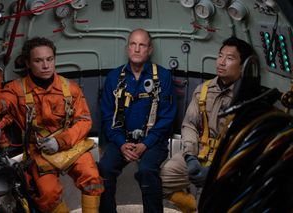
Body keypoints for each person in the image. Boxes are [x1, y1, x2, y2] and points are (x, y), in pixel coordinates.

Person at [0, 37, 104, 212]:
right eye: (38, 61)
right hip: (38, 151)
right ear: (28, 64)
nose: (46, 65)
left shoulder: (70, 88)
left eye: (49, 59)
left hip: (70, 145)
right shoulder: (17, 90)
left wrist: (60, 141)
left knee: (92, 179)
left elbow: (84, 121)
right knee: (47, 196)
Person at [160, 36, 260, 213]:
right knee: (164, 177)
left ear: (242, 65)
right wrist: (190, 157)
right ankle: (192, 209)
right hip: (198, 152)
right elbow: (189, 124)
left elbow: (245, 143)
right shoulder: (203, 90)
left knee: (213, 200)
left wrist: (217, 169)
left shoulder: (248, 98)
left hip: (226, 161)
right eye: (220, 56)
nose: (221, 62)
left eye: (229, 58)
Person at [98, 28, 177, 213]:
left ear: (149, 50)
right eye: (133, 44)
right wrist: (121, 143)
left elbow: (167, 116)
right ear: (128, 48)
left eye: (142, 45)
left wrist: (146, 144)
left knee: (147, 171)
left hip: (153, 141)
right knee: (104, 169)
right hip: (121, 140)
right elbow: (108, 116)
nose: (137, 49)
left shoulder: (163, 77)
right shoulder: (114, 78)